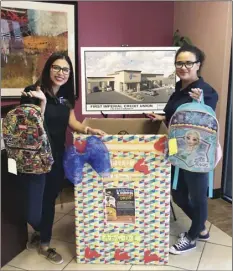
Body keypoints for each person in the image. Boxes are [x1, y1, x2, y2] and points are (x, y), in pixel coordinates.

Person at [19, 52, 106, 264]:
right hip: (35, 158)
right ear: (48, 69)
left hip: (56, 156)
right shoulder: (33, 92)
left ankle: (45, 243)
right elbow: (31, 127)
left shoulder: (65, 97)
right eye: (56, 68)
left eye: (65, 69)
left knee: (49, 200)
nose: (61, 73)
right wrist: (42, 104)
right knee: (32, 210)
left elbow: (72, 122)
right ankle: (40, 228)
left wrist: (88, 129)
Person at [149, 44, 218, 254]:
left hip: (195, 152)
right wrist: (162, 117)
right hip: (175, 148)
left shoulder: (205, 91)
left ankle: (192, 235)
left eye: (188, 62)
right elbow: (175, 115)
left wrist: (199, 103)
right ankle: (201, 228)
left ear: (198, 65)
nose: (183, 66)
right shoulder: (179, 88)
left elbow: (205, 121)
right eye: (179, 63)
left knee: (197, 196)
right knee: (178, 194)